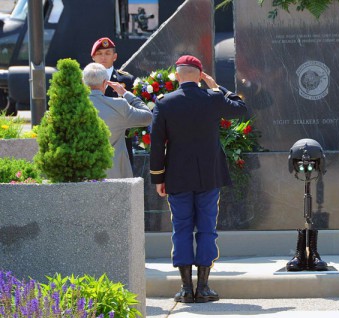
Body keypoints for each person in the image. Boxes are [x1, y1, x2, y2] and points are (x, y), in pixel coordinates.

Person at [149, 55, 247, 303]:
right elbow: (241, 109)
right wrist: (216, 88)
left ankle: (185, 289)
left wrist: (158, 177)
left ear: (177, 75)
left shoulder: (165, 103)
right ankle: (203, 287)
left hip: (177, 176)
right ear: (200, 74)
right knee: (206, 228)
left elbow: (157, 145)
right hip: (208, 175)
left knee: (181, 228)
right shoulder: (213, 99)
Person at [83, 62, 152, 178]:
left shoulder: (71, 107)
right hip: (114, 176)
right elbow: (147, 117)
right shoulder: (119, 106)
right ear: (105, 83)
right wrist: (125, 93)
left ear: (83, 83)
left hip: (81, 176)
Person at [91, 37, 136, 169]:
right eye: (99, 54)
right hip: (92, 140)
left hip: (120, 142)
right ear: (93, 57)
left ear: (115, 56)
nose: (103, 57)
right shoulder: (83, 80)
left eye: (107, 53)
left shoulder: (127, 80)